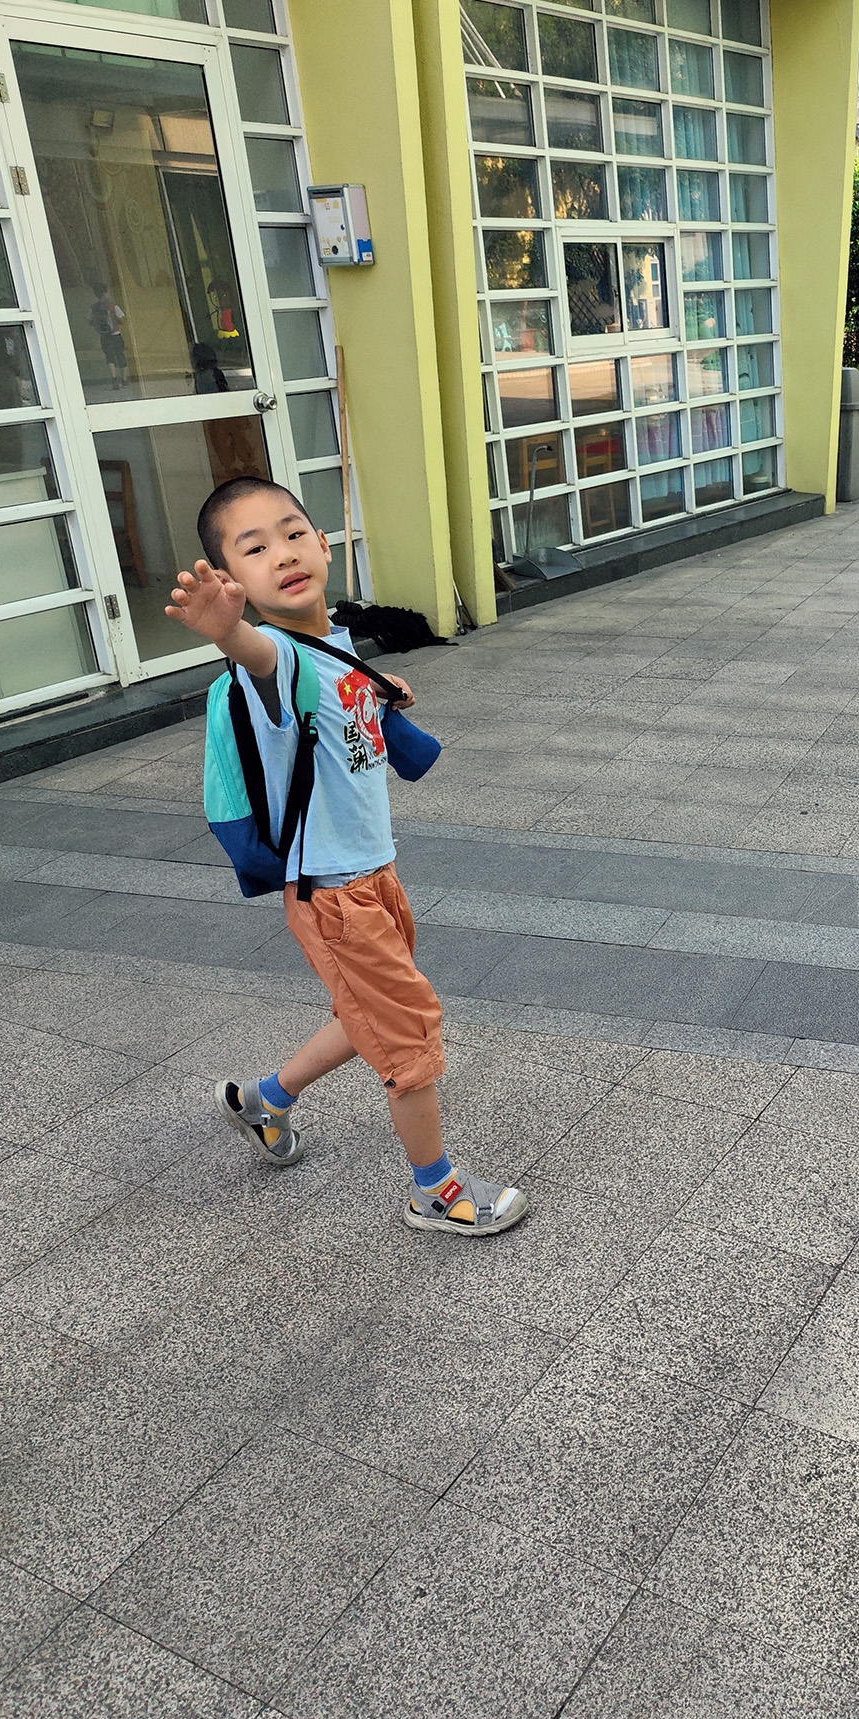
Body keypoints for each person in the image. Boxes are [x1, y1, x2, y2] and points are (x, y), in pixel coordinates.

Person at [164, 474, 528, 1238]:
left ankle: (264, 1101)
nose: (283, 553)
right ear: (233, 582)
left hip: (373, 874)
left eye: (294, 533)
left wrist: (380, 689)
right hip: (334, 894)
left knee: (367, 1015)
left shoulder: (328, 645)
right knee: (409, 1033)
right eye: (254, 549)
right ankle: (436, 1192)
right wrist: (226, 630)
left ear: (324, 545)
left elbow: (334, 706)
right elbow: (259, 656)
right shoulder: (271, 657)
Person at [89, 279, 128, 388]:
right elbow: (122, 320)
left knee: (110, 357)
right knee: (120, 355)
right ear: (105, 293)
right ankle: (124, 380)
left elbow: (90, 321)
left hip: (104, 336)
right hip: (116, 335)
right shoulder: (113, 306)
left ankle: (114, 379)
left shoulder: (93, 308)